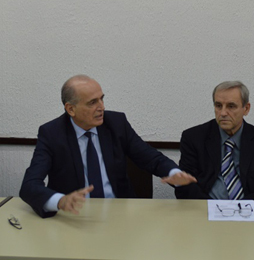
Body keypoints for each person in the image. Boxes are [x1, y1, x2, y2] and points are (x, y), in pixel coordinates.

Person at [19, 75, 197, 218]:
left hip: (120, 214)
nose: (101, 107)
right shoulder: (52, 134)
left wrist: (174, 173)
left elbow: (150, 157)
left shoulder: (116, 124)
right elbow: (29, 185)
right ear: (71, 109)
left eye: (102, 99)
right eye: (92, 102)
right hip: (74, 216)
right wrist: (60, 201)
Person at [175, 81, 254, 200]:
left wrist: (239, 207)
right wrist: (213, 207)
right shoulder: (194, 138)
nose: (223, 113)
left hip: (249, 208)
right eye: (218, 106)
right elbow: (184, 187)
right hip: (205, 207)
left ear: (246, 108)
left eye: (231, 106)